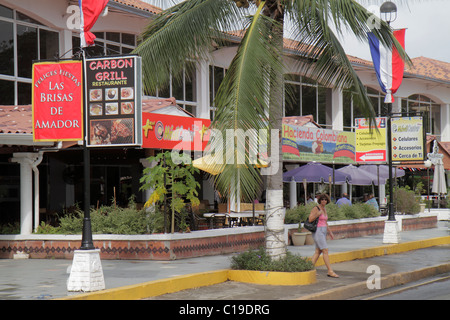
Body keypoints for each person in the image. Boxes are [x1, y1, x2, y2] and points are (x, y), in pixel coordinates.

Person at [308, 193, 339, 278]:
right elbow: (310, 219)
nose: (324, 201)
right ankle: (330, 271)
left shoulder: (324, 209)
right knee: (325, 250)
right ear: (319, 200)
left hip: (323, 230)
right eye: (322, 199)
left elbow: (325, 222)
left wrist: (330, 232)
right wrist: (317, 214)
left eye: (325, 199)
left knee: (318, 251)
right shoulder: (316, 208)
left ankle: (309, 269)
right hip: (318, 231)